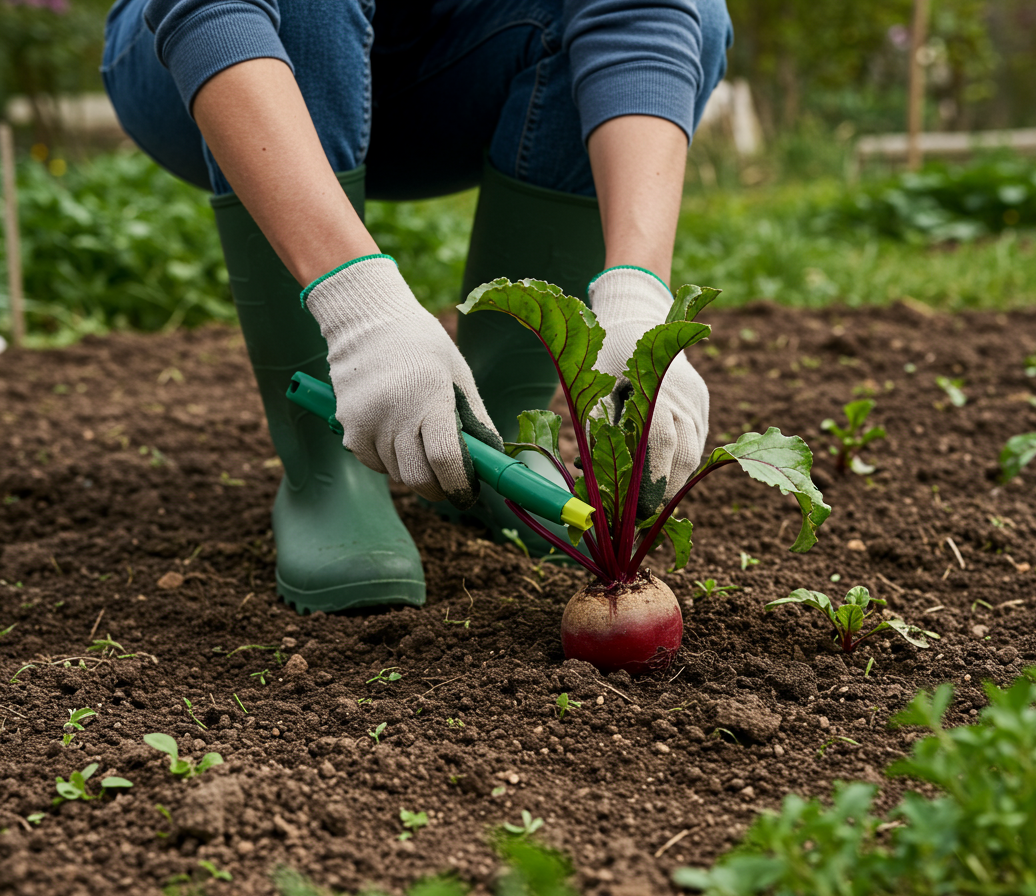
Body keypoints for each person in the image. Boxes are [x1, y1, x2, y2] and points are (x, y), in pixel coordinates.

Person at [100, 0, 732, 615]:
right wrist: (359, 304)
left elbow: (637, 11)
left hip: (453, 62)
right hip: (213, 60)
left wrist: (638, 294)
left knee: (696, 14)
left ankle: (494, 435)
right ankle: (327, 470)